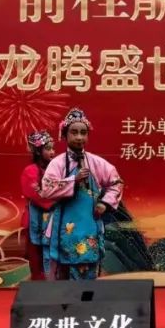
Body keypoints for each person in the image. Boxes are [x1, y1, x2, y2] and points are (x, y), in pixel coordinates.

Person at [39, 108, 123, 280]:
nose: (79, 137)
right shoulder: (57, 163)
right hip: (62, 228)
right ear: (65, 135)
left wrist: (104, 203)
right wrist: (73, 180)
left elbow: (117, 183)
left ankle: (86, 297)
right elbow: (46, 189)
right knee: (60, 277)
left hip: (89, 227)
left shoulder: (96, 162)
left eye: (83, 133)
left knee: (88, 273)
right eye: (74, 132)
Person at [20, 129, 57, 280]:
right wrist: (59, 199)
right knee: (36, 259)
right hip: (35, 220)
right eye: (48, 149)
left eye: (53, 148)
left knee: (53, 257)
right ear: (37, 151)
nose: (52, 152)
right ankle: (38, 284)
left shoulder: (55, 169)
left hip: (54, 219)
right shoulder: (30, 171)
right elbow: (37, 195)